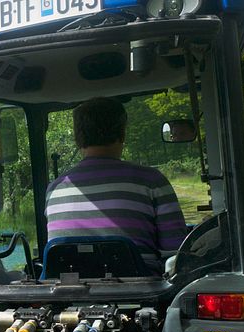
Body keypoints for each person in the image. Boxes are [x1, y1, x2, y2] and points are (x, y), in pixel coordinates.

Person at [45, 97, 188, 272]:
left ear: (77, 137)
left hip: (69, 294)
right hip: (142, 292)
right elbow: (176, 254)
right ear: (122, 132)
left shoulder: (54, 189)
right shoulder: (152, 181)